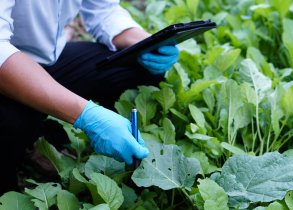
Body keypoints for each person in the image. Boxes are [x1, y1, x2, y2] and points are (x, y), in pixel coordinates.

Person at [0, 1, 179, 194]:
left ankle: (38, 141)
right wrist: (88, 115)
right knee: (10, 120)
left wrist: (147, 43)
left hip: (45, 60)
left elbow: (104, 10)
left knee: (136, 69)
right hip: (7, 65)